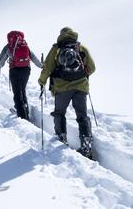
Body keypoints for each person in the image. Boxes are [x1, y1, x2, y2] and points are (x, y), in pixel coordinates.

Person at [38, 27, 96, 157]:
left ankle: (61, 139)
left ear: (61, 35)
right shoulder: (81, 48)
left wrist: (41, 81)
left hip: (62, 87)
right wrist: (83, 75)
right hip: (81, 87)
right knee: (82, 116)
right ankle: (86, 145)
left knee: (59, 113)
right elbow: (92, 68)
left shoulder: (56, 49)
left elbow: (47, 67)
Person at [0, 31, 43, 120]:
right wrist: (41, 66)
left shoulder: (9, 46)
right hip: (26, 70)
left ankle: (22, 117)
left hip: (14, 71)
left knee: (17, 93)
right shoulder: (24, 44)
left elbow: (1, 64)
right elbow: (32, 57)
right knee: (22, 90)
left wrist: (0, 63)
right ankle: (25, 111)